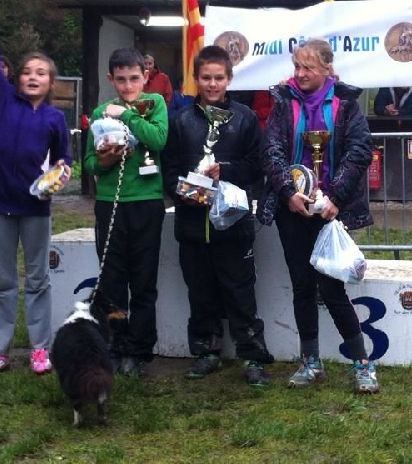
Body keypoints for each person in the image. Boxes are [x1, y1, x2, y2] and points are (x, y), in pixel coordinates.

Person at [258, 38, 380, 394]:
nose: (300, 74)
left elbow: (359, 151)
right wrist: (287, 192)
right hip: (292, 209)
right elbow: (271, 150)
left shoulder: (346, 105)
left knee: (331, 286)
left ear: (328, 68)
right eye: (297, 66)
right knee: (301, 285)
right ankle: (310, 361)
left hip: (330, 211)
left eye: (308, 67)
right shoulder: (283, 102)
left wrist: (335, 199)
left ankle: (362, 363)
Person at [0, 0, 73, 378]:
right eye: (28, 71)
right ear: (15, 79)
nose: (33, 77)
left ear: (50, 83)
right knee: (4, 282)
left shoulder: (54, 119)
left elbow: (65, 159)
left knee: (39, 280)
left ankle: (40, 349)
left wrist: (61, 174)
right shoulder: (1, 100)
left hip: (35, 208)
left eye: (41, 73)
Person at [162, 45, 274, 386]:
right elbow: (168, 170)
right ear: (196, 79)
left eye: (219, 78)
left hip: (234, 224)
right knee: (200, 290)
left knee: (240, 291)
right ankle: (206, 351)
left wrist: (223, 171)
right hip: (193, 223)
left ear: (229, 78)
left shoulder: (245, 118)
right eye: (206, 78)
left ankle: (253, 357)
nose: (212, 85)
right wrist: (184, 192)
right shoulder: (180, 120)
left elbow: (258, 167)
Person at [84, 47, 168, 378]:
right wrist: (104, 160)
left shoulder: (154, 104)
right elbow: (90, 163)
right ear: (111, 79)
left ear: (145, 76)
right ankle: (116, 345)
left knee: (144, 279)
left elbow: (159, 140)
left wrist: (129, 115)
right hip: (110, 202)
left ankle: (140, 350)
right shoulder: (100, 112)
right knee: (113, 279)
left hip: (147, 201)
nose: (128, 86)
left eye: (134, 79)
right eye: (121, 80)